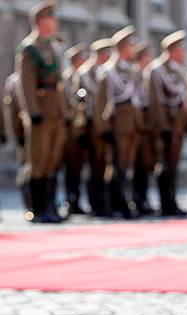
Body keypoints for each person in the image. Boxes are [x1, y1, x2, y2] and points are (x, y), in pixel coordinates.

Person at [16, 1, 66, 223]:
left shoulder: (52, 47)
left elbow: (60, 84)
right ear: (40, 21)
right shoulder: (30, 48)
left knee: (52, 160)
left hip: (55, 111)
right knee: (38, 161)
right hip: (41, 112)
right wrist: (32, 112)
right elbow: (25, 84)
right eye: (51, 18)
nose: (55, 22)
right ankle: (37, 209)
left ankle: (49, 206)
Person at [97, 26, 143, 219]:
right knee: (115, 166)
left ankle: (125, 202)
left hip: (132, 124)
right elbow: (101, 102)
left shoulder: (131, 70)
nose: (134, 48)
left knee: (128, 165)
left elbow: (137, 99)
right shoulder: (108, 71)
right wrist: (104, 128)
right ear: (123, 47)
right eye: (131, 45)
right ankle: (111, 204)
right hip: (117, 124)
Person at [146, 30, 187, 216]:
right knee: (164, 165)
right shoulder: (157, 70)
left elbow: (183, 102)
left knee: (173, 165)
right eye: (181, 49)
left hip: (177, 126)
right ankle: (165, 203)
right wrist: (163, 126)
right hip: (164, 127)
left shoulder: (178, 71)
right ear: (172, 50)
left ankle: (172, 201)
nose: (184, 53)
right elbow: (155, 102)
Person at [75, 38, 113, 217]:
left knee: (103, 165)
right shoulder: (85, 74)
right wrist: (81, 129)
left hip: (104, 125)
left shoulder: (104, 73)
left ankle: (104, 202)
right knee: (93, 166)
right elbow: (81, 104)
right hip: (90, 125)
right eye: (106, 55)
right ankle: (94, 203)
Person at [62, 42, 87, 214]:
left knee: (78, 168)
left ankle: (76, 201)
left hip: (80, 129)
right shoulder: (67, 79)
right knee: (70, 168)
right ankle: (70, 201)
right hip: (69, 130)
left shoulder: (80, 77)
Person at [132, 40, 155, 214]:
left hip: (146, 126)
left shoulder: (145, 75)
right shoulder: (134, 75)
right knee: (135, 164)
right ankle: (135, 200)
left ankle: (143, 199)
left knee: (145, 165)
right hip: (136, 125)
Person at [4, 71, 27, 212]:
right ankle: (28, 203)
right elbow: (11, 109)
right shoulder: (13, 81)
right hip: (23, 130)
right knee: (25, 168)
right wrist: (16, 133)